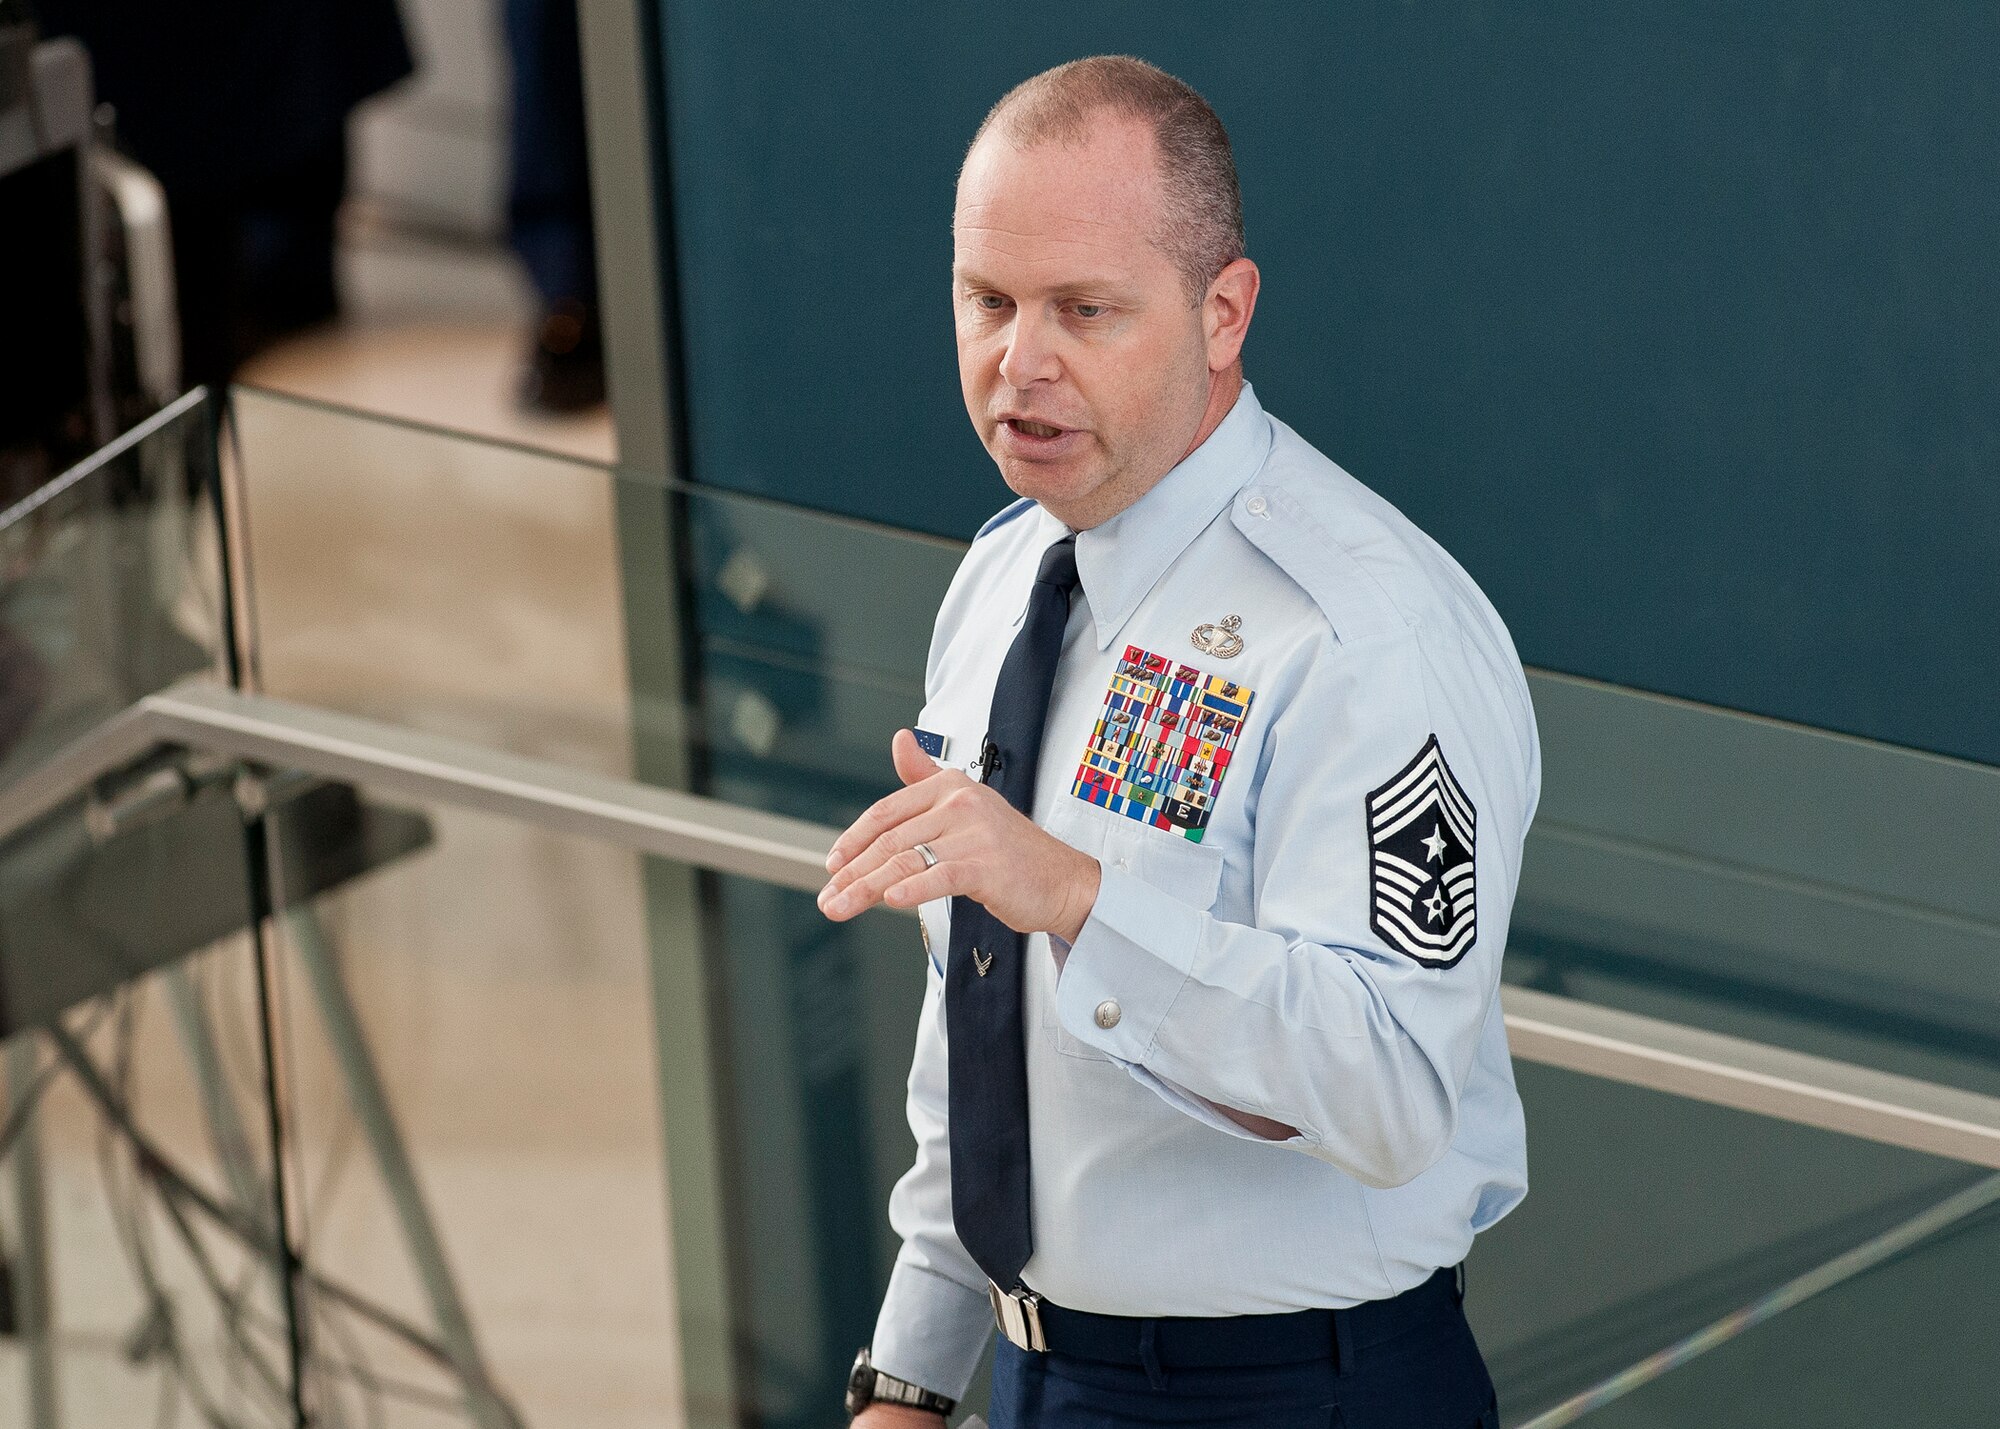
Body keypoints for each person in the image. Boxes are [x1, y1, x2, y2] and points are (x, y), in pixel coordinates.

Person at [819, 55, 1537, 1429]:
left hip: (1296, 1390)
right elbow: (979, 1020)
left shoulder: (1364, 636)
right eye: (988, 301)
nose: (1019, 363)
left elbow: (1387, 1088)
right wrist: (911, 1370)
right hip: (1037, 1375)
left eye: (1085, 309)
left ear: (1223, 313)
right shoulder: (1003, 580)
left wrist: (1081, 900)